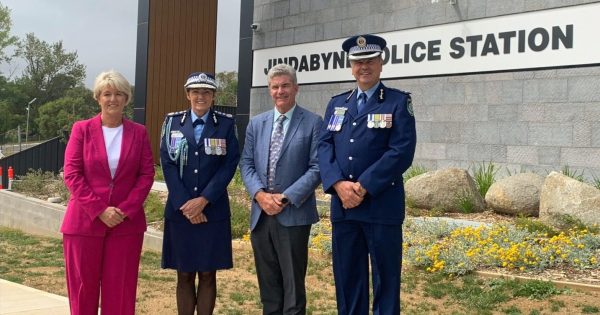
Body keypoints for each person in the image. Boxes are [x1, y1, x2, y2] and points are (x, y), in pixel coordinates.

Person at [318, 34, 417, 314]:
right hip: (344, 207)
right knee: (348, 278)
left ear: (381, 63)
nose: (364, 66)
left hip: (380, 205)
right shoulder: (338, 103)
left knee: (386, 280)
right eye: (358, 61)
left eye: (370, 60)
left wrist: (362, 187)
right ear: (350, 66)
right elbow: (324, 145)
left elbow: (401, 151)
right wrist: (338, 184)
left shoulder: (397, 102)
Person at [61, 70, 155, 315]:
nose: (113, 99)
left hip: (125, 225)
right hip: (84, 223)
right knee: (83, 291)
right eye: (107, 94)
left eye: (119, 94)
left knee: (121, 292)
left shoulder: (139, 132)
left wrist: (124, 210)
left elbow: (146, 175)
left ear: (127, 98)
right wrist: (99, 209)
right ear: (98, 98)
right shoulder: (81, 130)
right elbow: (72, 173)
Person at [240, 63, 322, 314]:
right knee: (269, 287)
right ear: (269, 90)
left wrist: (285, 198)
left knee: (293, 289)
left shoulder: (313, 122)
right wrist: (260, 195)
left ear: (296, 88)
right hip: (261, 215)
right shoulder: (257, 123)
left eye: (285, 85)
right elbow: (247, 163)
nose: (280, 91)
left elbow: (317, 167)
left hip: (293, 216)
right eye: (275, 87)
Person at [160, 71, 240, 315]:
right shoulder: (172, 122)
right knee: (183, 273)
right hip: (181, 211)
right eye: (195, 91)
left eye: (206, 92)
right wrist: (187, 204)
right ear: (187, 94)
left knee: (207, 274)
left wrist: (203, 200)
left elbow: (229, 164)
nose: (200, 96)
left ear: (214, 96)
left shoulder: (225, 124)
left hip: (212, 211)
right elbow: (167, 163)